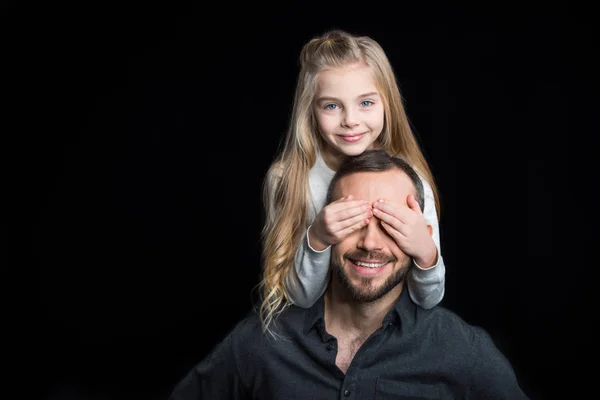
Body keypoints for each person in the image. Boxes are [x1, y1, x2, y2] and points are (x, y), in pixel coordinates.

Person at [169, 150, 529, 399]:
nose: (371, 242)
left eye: (391, 225)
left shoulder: (460, 349)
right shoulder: (262, 340)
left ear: (421, 232)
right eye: (353, 221)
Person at [260, 29, 445, 333]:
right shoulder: (288, 180)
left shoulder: (409, 179)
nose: (350, 120)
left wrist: (425, 252)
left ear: (387, 103)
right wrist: (317, 238)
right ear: (311, 109)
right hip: (318, 337)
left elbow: (429, 298)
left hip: (391, 336)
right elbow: (300, 298)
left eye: (366, 103)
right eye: (331, 106)